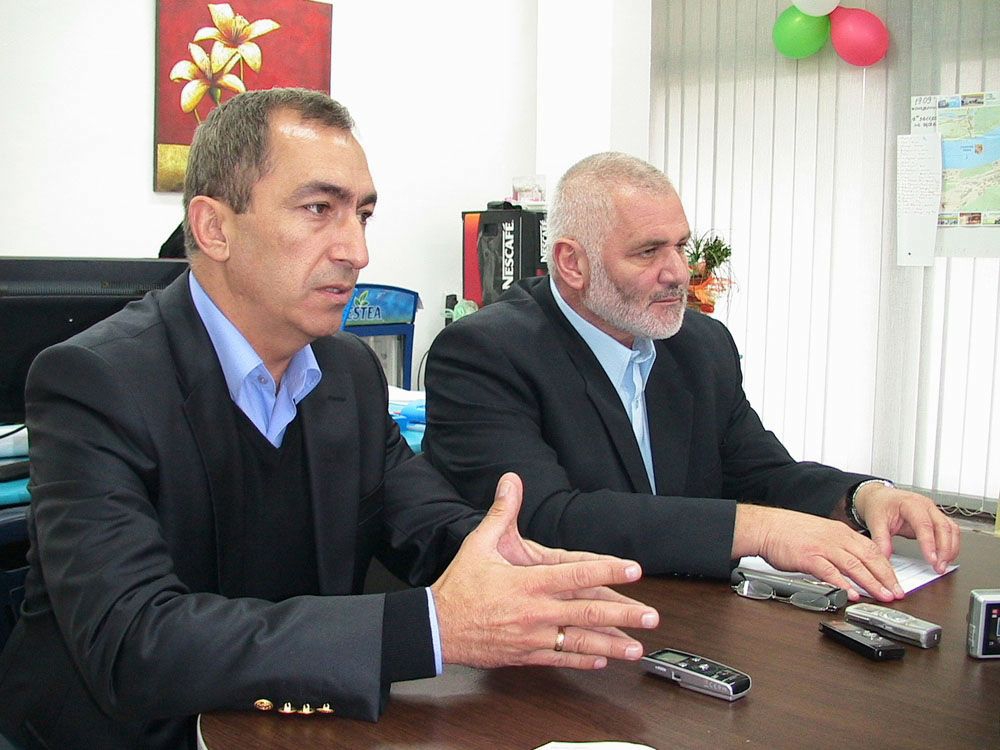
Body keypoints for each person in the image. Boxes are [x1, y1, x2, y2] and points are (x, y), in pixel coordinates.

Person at [0, 94, 660, 750]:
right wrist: (430, 627)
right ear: (214, 228)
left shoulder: (346, 372)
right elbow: (133, 641)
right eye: (319, 209)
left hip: (292, 725)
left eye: (363, 215)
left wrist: (510, 567)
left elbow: (423, 522)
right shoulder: (93, 382)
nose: (357, 251)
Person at [423, 151, 960, 605]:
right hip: (557, 637)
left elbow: (759, 473)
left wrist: (861, 497)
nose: (679, 272)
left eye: (681, 246)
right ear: (572, 263)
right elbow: (543, 520)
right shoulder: (485, 352)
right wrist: (760, 529)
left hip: (691, 621)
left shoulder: (699, 345)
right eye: (648, 251)